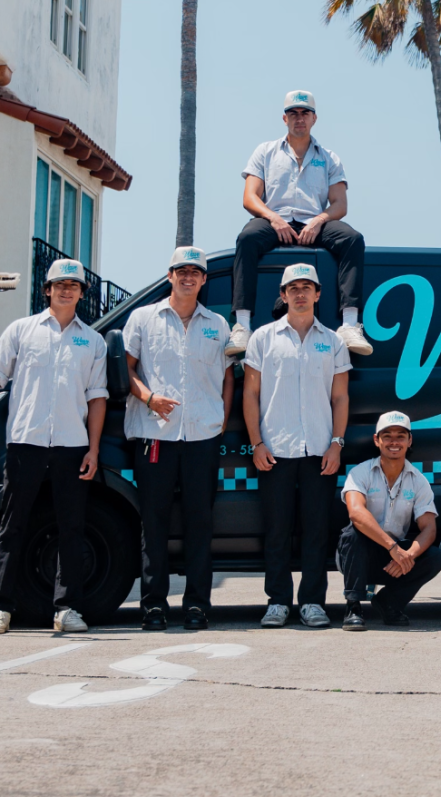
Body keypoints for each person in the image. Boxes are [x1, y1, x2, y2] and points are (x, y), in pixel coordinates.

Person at [0, 258, 107, 635]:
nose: (66, 289)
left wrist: (93, 450)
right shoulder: (22, 330)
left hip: (72, 444)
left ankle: (67, 609)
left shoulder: (92, 341)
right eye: (59, 283)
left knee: (72, 527)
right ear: (46, 288)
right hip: (25, 441)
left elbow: (97, 398)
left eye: (74, 285)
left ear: (82, 292)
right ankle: (0, 608)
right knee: (12, 525)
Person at [123, 246, 234, 631]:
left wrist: (221, 415)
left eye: (195, 272)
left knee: (199, 522)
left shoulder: (217, 325)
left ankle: (197, 606)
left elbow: (229, 376)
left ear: (204, 280)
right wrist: (148, 397)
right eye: (181, 271)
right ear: (169, 275)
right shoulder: (143, 319)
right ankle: (153, 606)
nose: (188, 277)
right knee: (153, 523)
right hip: (155, 435)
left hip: (202, 435)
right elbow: (127, 368)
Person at [243, 261, 351, 628]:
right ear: (284, 295)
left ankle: (312, 603)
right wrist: (256, 442)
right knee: (276, 530)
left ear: (318, 295)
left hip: (320, 451)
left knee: (316, 531)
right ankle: (277, 601)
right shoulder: (262, 338)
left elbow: (340, 397)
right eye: (293, 288)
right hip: (275, 449)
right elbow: (251, 394)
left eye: (307, 287)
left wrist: (337, 443)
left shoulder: (333, 341)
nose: (300, 293)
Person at [229, 89, 371, 358]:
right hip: (274, 222)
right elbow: (250, 197)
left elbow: (340, 204)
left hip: (312, 224)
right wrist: (273, 218)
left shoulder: (329, 157)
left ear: (314, 118)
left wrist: (319, 220)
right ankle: (242, 326)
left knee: (353, 239)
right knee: (246, 238)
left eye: (305, 113)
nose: (299, 119)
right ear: (284, 119)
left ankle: (350, 325)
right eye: (293, 113)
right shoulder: (265, 151)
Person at [337, 411, 441, 630]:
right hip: (359, 556)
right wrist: (392, 547)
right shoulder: (360, 472)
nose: (394, 442)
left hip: (394, 561)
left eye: (400, 435)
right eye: (387, 436)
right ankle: (353, 606)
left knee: (435, 556)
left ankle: (389, 603)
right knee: (353, 533)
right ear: (377, 440)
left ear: (409, 440)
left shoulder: (419, 480)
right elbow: (356, 513)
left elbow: (429, 529)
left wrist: (407, 556)